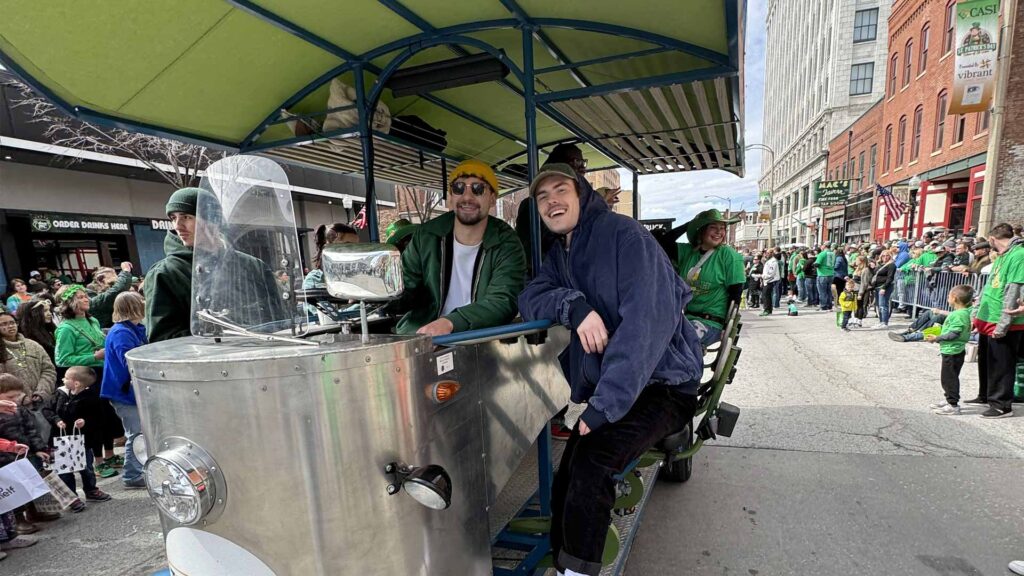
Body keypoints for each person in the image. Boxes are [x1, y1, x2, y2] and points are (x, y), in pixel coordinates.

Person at [518, 163, 703, 576]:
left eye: (560, 189)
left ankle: (579, 571)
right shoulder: (560, 253)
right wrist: (574, 307)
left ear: (581, 192)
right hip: (625, 387)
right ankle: (566, 562)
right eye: (543, 196)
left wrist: (605, 405)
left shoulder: (625, 236)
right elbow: (531, 295)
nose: (552, 201)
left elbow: (646, 327)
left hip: (665, 385)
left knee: (594, 460)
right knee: (569, 471)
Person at [390, 159, 526, 336]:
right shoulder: (426, 236)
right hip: (422, 337)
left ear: (492, 198)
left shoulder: (507, 242)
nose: (467, 197)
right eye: (459, 188)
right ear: (450, 198)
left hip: (478, 339)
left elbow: (503, 300)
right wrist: (377, 295)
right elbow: (404, 287)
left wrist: (451, 322)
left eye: (478, 189)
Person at [972, 223, 1024, 418]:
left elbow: (1014, 290)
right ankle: (986, 395)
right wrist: (976, 315)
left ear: (992, 239)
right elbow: (989, 288)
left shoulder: (1018, 255)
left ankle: (1002, 404)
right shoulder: (1003, 256)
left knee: (1001, 363)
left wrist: (1003, 324)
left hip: (1003, 319)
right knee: (987, 360)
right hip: (989, 316)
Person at [675, 209, 745, 346]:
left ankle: (688, 367)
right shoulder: (688, 252)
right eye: (713, 227)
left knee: (681, 342)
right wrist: (690, 225)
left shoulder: (728, 255)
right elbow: (660, 240)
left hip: (712, 323)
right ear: (701, 230)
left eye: (722, 228)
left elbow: (736, 294)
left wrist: (727, 327)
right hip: (686, 320)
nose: (719, 232)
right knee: (658, 339)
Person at [100, 292, 148, 488]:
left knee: (138, 432)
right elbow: (128, 361)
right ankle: (132, 474)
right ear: (134, 307)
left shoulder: (131, 329)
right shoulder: (122, 332)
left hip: (126, 391)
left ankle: (137, 470)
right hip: (124, 392)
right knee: (135, 433)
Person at [49, 366, 112, 510]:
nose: (63, 379)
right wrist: (56, 420)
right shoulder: (59, 394)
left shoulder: (91, 398)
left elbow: (99, 418)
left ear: (76, 383)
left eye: (66, 377)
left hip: (83, 440)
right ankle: (71, 497)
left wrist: (85, 422)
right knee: (65, 471)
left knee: (86, 466)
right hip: (60, 440)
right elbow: (49, 410)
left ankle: (91, 490)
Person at [0, 373, 50, 538]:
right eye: (9, 396)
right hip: (5, 458)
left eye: (17, 395)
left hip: (25, 453)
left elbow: (31, 430)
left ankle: (35, 511)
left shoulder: (20, 410)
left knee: (32, 483)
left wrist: (39, 449)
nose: (14, 399)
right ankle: (18, 518)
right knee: (15, 489)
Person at [925, 285, 974, 415]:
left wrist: (937, 338)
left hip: (953, 351)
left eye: (948, 296)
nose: (947, 299)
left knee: (949, 378)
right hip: (951, 350)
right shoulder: (961, 313)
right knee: (948, 377)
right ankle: (948, 399)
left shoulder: (959, 315)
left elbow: (955, 334)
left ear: (955, 298)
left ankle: (953, 404)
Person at [0, 311, 56, 403]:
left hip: (42, 401)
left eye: (12, 322)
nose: (10, 326)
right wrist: (20, 397)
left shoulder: (33, 345)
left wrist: (41, 392)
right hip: (13, 406)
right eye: (4, 324)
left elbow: (48, 370)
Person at [87, 262, 134, 329]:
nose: (113, 287)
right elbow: (118, 289)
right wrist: (126, 271)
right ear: (100, 280)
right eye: (112, 284)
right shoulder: (91, 299)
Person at [870, 250, 895, 329]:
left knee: (883, 305)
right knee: (878, 305)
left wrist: (884, 287)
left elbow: (890, 277)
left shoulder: (891, 265)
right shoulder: (880, 265)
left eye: (887, 255)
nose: (885, 257)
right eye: (883, 255)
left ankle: (884, 322)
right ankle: (881, 321)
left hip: (884, 286)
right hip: (877, 286)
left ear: (890, 256)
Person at [852, 256, 873, 328]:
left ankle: (859, 321)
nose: (855, 261)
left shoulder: (866, 270)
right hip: (855, 289)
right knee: (856, 305)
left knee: (860, 306)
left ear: (861, 261)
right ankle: (855, 320)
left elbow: (864, 283)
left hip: (862, 290)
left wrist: (860, 293)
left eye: (857, 260)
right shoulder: (857, 269)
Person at [815, 243, 837, 311]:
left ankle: (823, 306)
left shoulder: (822, 254)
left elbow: (817, 264)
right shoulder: (833, 254)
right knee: (828, 291)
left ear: (824, 246)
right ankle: (829, 305)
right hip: (831, 274)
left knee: (822, 291)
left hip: (822, 274)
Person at [760, 251, 781, 316]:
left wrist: (764, 276)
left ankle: (767, 309)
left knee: (766, 295)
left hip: (769, 280)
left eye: (768, 253)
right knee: (767, 295)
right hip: (767, 280)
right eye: (766, 253)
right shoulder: (770, 261)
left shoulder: (773, 262)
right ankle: (769, 309)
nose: (766, 254)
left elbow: (771, 273)